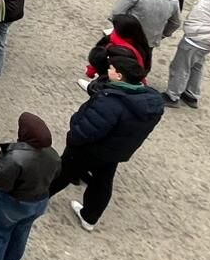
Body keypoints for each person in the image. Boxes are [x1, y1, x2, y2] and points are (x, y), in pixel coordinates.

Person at [49, 52, 165, 231]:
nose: (107, 70)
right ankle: (89, 217)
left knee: (63, 172)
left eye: (111, 69)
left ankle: (36, 199)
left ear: (119, 76)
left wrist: (73, 136)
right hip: (114, 152)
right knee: (102, 182)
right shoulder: (152, 101)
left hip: (88, 149)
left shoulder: (111, 101)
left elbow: (87, 129)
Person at [0, 112, 61, 260]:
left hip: (13, 203)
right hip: (39, 201)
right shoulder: (53, 155)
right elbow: (56, 175)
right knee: (22, 232)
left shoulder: (15, 157)